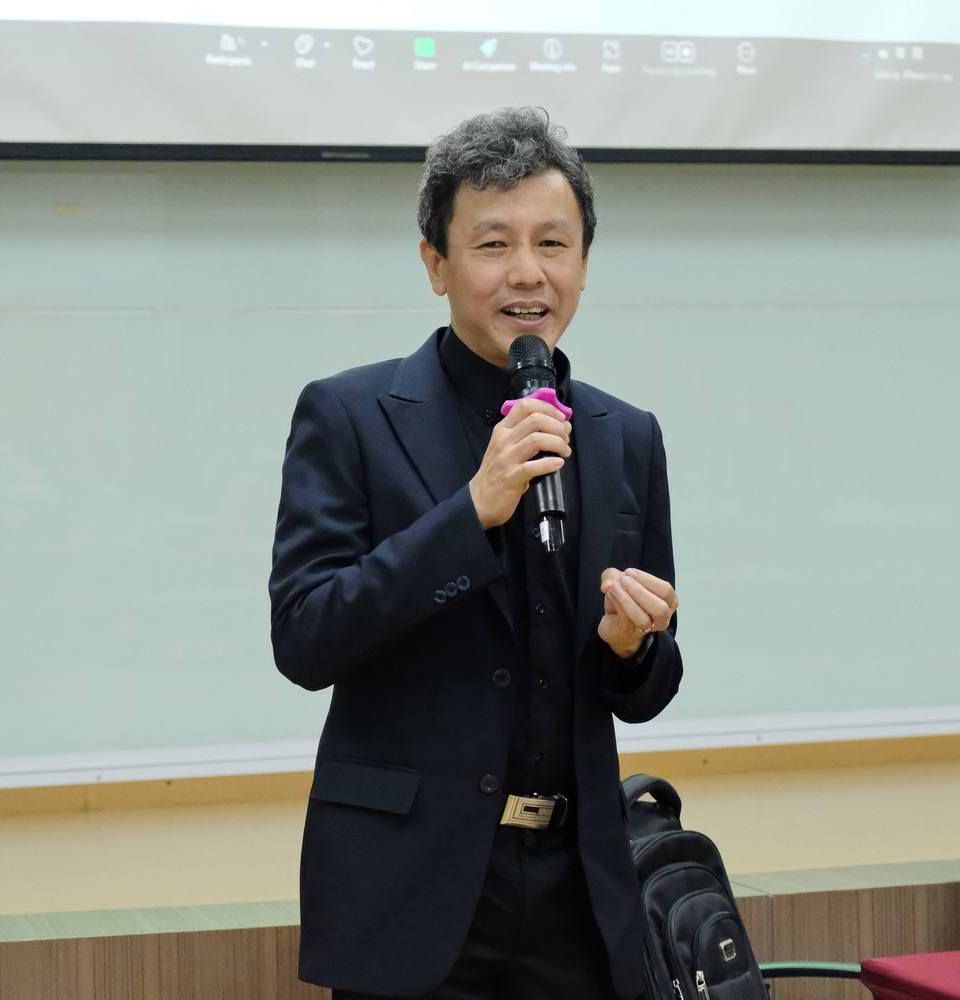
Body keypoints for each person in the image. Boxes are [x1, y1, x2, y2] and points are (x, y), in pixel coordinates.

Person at [268, 106, 683, 1000]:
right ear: (435, 263)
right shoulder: (351, 416)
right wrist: (471, 513)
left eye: (553, 243)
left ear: (583, 264)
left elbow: (646, 691)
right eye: (494, 244)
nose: (528, 272)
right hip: (411, 889)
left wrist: (632, 646)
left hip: (579, 892)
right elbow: (304, 637)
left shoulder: (626, 436)